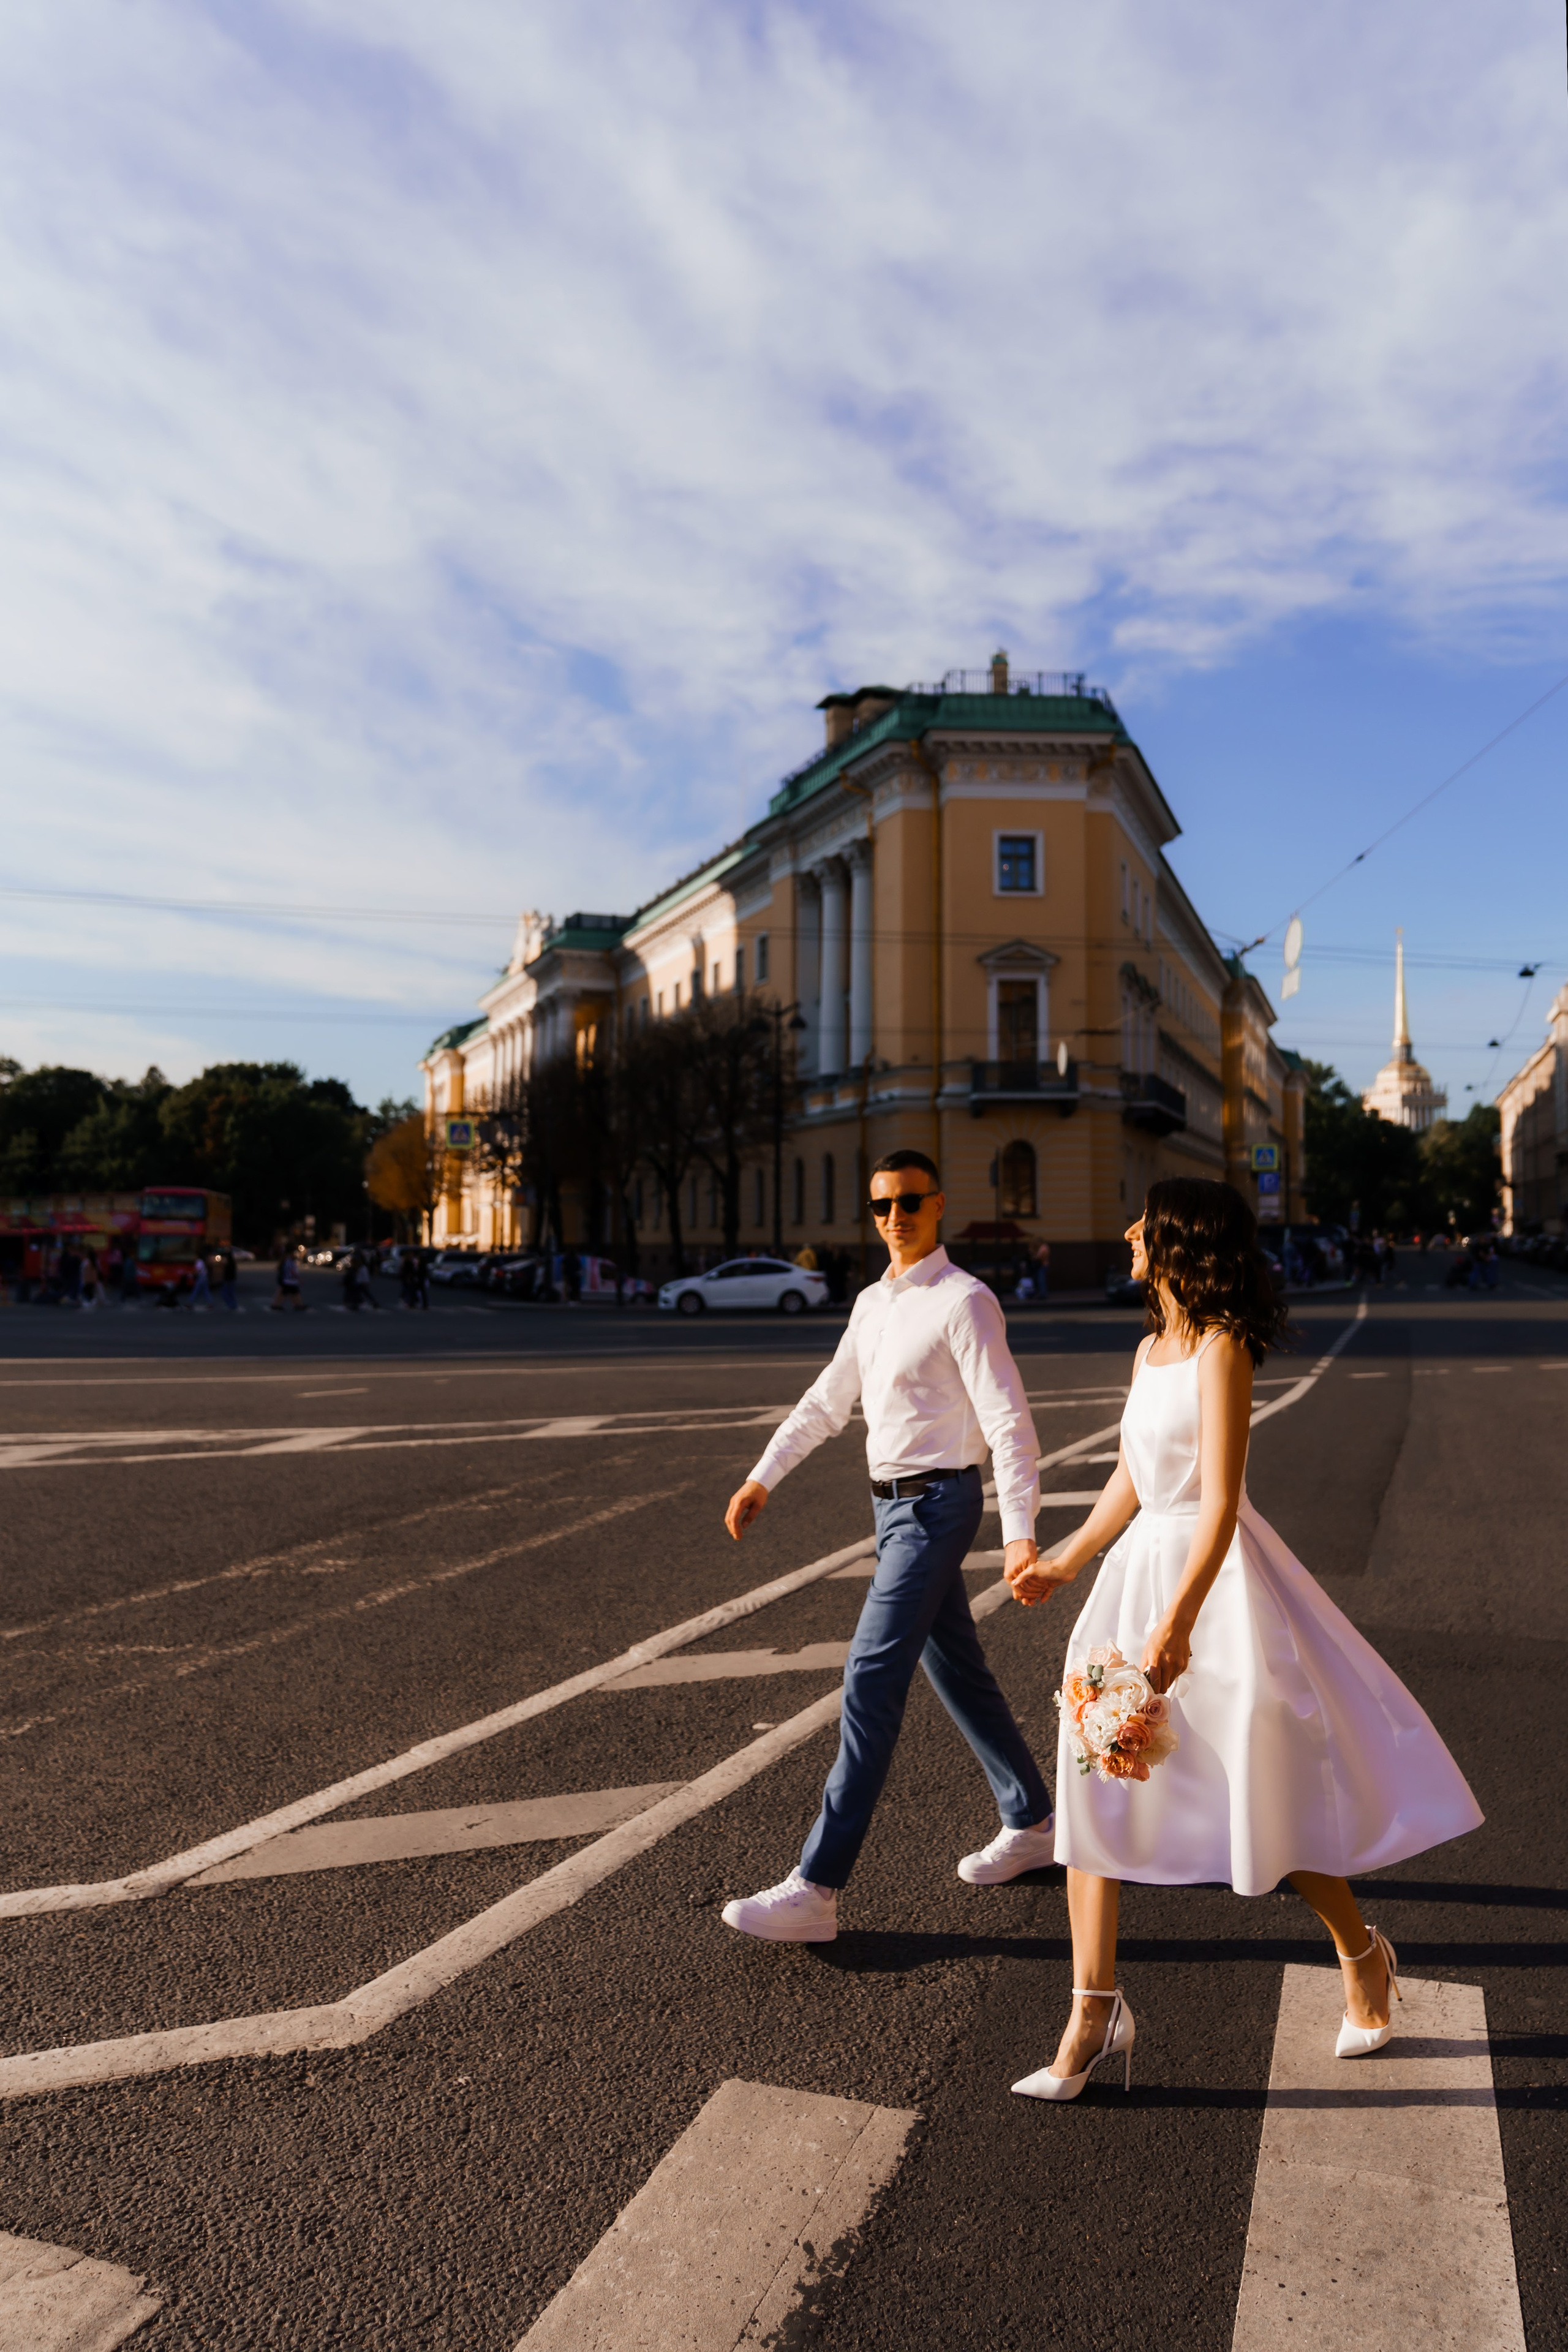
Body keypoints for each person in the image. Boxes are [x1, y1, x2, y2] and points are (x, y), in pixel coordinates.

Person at [1005, 1177, 1482, 2100]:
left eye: (1147, 1221)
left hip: (1210, 1585)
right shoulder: (1149, 1351)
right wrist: (1065, 1561)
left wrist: (1179, 1622)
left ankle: (1361, 1952)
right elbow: (1134, 1477)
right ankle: (1093, 2011)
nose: (1132, 1232)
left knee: (1256, 1783)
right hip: (1136, 1575)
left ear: (1181, 1241)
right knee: (1095, 1781)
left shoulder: (1224, 1349)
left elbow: (1218, 1499)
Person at [719, 1148, 1055, 1943]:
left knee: (870, 1676)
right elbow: (826, 1401)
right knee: (957, 1669)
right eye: (881, 1206)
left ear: (939, 1205)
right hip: (892, 1513)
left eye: (909, 1202)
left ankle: (817, 1886)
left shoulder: (964, 1302)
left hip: (941, 1504)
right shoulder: (873, 1302)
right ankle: (1034, 1819)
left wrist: (1020, 1536)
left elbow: (1010, 1425)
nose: (895, 1217)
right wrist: (762, 1476)